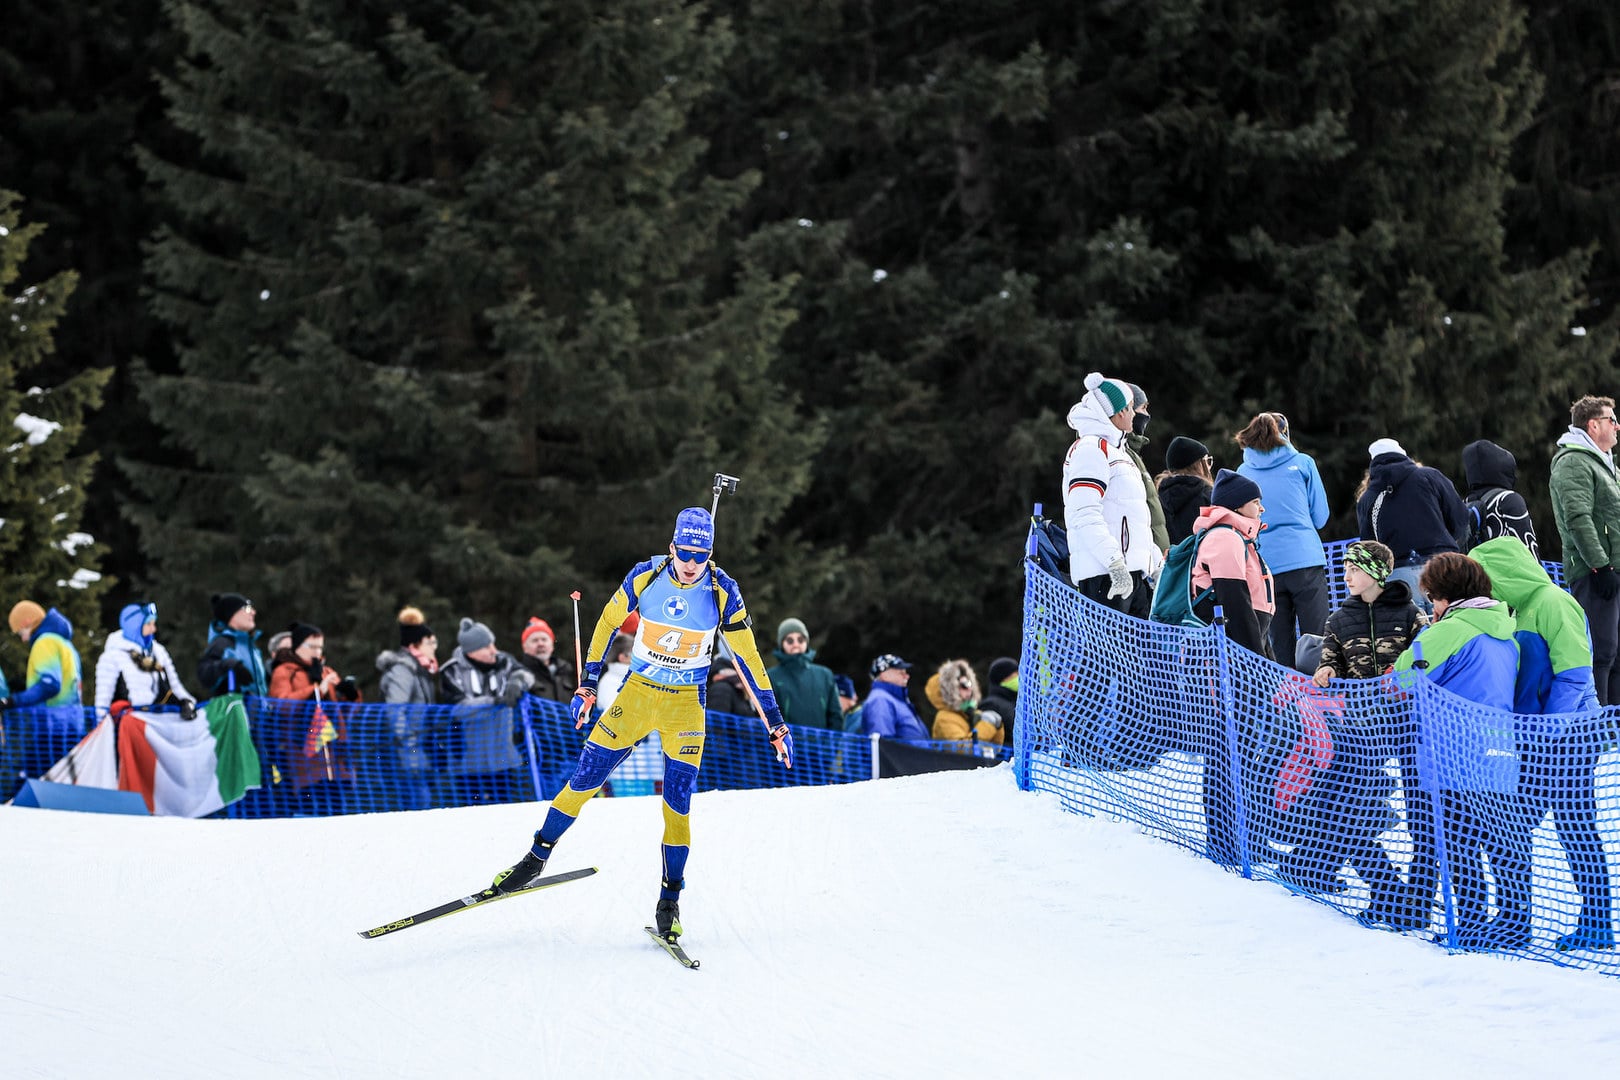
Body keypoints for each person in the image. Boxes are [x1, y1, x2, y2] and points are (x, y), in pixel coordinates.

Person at [489, 507, 791, 946]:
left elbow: (749, 659)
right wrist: (588, 684)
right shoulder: (645, 576)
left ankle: (669, 901)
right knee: (584, 780)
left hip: (686, 706)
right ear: (672, 548)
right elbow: (608, 623)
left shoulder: (723, 590)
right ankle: (534, 859)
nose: (690, 564)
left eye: (700, 556)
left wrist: (776, 724)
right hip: (636, 697)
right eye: (684, 553)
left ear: (709, 554)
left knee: (678, 803)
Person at [1471, 536, 1612, 951]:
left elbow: (1575, 673)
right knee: (1511, 825)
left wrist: (1548, 732)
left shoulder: (1554, 602)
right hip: (1537, 739)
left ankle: (1598, 921)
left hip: (1572, 737)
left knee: (1575, 828)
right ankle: (1516, 918)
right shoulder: (1516, 611)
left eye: (1486, 578)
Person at [1389, 553, 1519, 947]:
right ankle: (1516, 918)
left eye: (1432, 597)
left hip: (1454, 753)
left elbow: (1402, 678)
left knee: (1460, 845)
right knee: (1502, 843)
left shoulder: (1449, 630)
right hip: (1499, 749)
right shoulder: (1504, 627)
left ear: (1445, 595)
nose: (1431, 605)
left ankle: (1474, 921)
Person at [1283, 542, 1423, 900]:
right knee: (1353, 806)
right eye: (1344, 570)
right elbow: (1330, 657)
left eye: (1354, 570)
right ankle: (1384, 890)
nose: (1346, 577)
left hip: (1404, 723)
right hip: (1360, 728)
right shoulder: (1340, 618)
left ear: (1376, 573)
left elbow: (1424, 651)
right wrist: (1327, 669)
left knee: (1371, 809)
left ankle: (1309, 867)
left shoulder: (1409, 613)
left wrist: (1405, 672)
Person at [1236, 412, 1331, 667]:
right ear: (1285, 435)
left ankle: (1288, 702)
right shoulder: (1302, 463)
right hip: (1305, 560)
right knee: (1317, 640)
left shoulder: (1243, 471)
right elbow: (1321, 517)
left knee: (1280, 646)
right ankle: (1321, 703)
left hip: (1266, 566)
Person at [1063, 372, 1160, 614]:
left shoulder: (1120, 453)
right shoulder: (1091, 449)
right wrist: (1113, 563)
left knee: (1137, 651)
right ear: (1119, 412)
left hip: (1132, 574)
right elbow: (1084, 513)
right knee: (1107, 650)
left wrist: (1155, 564)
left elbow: (1134, 517)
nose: (1134, 414)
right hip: (1105, 575)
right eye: (1130, 408)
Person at [1549, 394, 1620, 705]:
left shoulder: (1603, 463)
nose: (1618, 426)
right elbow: (1578, 518)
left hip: (1612, 570)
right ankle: (1598, 731)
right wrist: (1600, 566)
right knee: (1601, 652)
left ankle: (1614, 731)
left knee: (1616, 654)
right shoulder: (1574, 462)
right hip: (1596, 574)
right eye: (1612, 420)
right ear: (1593, 425)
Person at [1356, 438, 1469, 616]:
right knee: (1455, 627)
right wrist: (1446, 540)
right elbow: (1460, 518)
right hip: (1443, 565)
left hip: (1400, 575)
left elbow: (1370, 548)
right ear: (1403, 456)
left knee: (1414, 637)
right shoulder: (1430, 476)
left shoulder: (1368, 498)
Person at [437, 617, 535, 804]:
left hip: (503, 756)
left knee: (505, 808)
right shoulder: (451, 671)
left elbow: (527, 675)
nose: (493, 650)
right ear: (471, 651)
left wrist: (517, 681)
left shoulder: (504, 662)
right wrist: (495, 701)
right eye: (487, 647)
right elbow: (459, 708)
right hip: (468, 761)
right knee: (472, 811)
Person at [268, 622, 358, 813]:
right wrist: (315, 690)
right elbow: (282, 704)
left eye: (320, 647)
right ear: (297, 646)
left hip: (335, 759)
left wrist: (350, 695)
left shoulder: (327, 671)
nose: (317, 652)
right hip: (304, 756)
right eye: (312, 646)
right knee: (312, 812)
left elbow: (347, 714)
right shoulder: (285, 671)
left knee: (338, 812)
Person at [1189, 470, 1275, 658]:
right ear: (1237, 506)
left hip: (1246, 635)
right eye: (1255, 502)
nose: (1262, 509)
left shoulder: (1237, 536)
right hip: (1230, 642)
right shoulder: (1225, 538)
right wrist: (1256, 659)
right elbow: (1234, 601)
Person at [3, 601, 85, 779]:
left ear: (27, 623)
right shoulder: (64, 644)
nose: (24, 639)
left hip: (52, 726)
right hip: (72, 723)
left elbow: (50, 685)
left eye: (20, 633)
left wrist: (13, 701)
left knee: (30, 780)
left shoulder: (44, 642)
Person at [373, 606, 438, 809]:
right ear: (416, 644)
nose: (434, 647)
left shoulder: (420, 670)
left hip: (417, 751)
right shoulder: (403, 670)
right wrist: (409, 745)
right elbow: (395, 710)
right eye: (430, 643)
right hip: (405, 753)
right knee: (416, 805)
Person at [94, 602, 197, 717]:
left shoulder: (158, 651)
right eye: (148, 624)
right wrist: (101, 725)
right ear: (134, 626)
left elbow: (175, 685)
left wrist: (187, 702)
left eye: (154, 624)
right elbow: (103, 699)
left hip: (158, 718)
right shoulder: (112, 657)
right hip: (128, 721)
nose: (154, 629)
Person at [1461, 439, 1539, 558]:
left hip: (1478, 575)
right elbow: (1527, 546)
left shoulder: (1465, 504)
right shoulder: (1508, 499)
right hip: (1509, 575)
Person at [768, 617, 842, 730]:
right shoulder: (771, 676)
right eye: (790, 640)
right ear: (781, 643)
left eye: (800, 639)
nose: (796, 644)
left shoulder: (824, 675)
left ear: (806, 642)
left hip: (820, 745)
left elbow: (835, 716)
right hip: (787, 745)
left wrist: (831, 744)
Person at [1124, 383, 1171, 555]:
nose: (1147, 415)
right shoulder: (1119, 455)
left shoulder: (1133, 454)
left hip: (1152, 559)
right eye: (1143, 408)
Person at [197, 592, 268, 697]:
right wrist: (227, 665)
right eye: (247, 608)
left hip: (256, 711)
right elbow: (204, 674)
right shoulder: (223, 643)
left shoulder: (252, 647)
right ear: (231, 614)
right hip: (235, 710)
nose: (253, 612)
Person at [925, 659, 1004, 752]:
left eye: (970, 683)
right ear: (950, 690)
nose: (970, 688)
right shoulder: (944, 718)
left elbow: (994, 750)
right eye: (964, 685)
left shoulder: (972, 714)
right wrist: (987, 726)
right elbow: (962, 750)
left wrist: (998, 727)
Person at [1157, 436, 1214, 545]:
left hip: (1170, 559)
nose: (1209, 466)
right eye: (1207, 461)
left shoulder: (1159, 495)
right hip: (1200, 559)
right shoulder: (1208, 495)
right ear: (1198, 465)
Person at [860, 653, 929, 741]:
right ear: (884, 675)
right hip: (902, 755)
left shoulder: (895, 699)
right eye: (901, 673)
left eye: (906, 673)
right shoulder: (880, 700)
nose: (907, 676)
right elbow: (883, 743)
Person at [517, 617, 577, 703]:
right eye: (535, 640)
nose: (540, 644)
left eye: (544, 639)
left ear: (552, 645)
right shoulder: (519, 674)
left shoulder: (567, 671)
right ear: (525, 647)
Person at [982, 657, 1018, 745]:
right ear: (1004, 677)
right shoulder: (991, 704)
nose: (1019, 678)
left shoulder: (1016, 703)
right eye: (1016, 674)